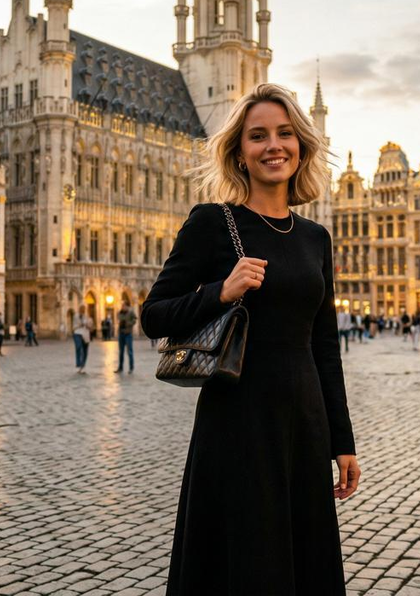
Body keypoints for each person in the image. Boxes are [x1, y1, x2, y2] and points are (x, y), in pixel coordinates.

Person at [140, 83, 359, 593]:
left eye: (284, 134)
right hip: (236, 421)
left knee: (301, 561)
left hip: (303, 423)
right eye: (257, 136)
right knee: (245, 562)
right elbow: (154, 316)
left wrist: (342, 440)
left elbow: (324, 345)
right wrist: (221, 290)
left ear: (301, 145)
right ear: (240, 152)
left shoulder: (315, 238)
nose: (273, 146)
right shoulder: (213, 223)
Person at [116, 302, 137, 373]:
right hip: (121, 333)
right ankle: (120, 368)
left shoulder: (131, 312)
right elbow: (118, 318)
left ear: (127, 306)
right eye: (122, 306)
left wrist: (129, 323)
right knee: (121, 352)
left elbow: (135, 319)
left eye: (124, 306)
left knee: (130, 351)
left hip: (128, 334)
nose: (123, 307)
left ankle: (131, 368)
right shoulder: (119, 312)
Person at [72, 306, 93, 374]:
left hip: (85, 334)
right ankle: (79, 363)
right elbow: (78, 323)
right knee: (78, 347)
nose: (83, 311)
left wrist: (88, 325)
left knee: (85, 351)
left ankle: (83, 366)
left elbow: (90, 326)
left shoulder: (87, 317)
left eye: (84, 310)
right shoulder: (76, 316)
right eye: (81, 309)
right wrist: (83, 323)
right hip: (77, 333)